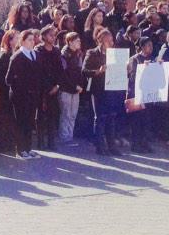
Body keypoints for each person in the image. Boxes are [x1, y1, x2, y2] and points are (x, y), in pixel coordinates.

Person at [82, 27, 122, 156]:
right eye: (108, 41)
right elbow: (84, 70)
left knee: (111, 117)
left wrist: (124, 67)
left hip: (112, 89)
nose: (111, 43)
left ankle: (112, 145)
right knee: (100, 117)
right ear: (101, 41)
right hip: (98, 89)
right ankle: (100, 146)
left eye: (111, 40)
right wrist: (98, 71)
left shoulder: (115, 53)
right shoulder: (92, 53)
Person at [6, 29, 41, 159]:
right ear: (22, 41)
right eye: (29, 40)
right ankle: (20, 150)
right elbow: (8, 79)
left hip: (33, 95)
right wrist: (21, 86)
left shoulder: (36, 54)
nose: (33, 42)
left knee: (30, 121)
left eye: (33, 39)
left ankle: (28, 148)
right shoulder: (17, 56)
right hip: (20, 96)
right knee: (21, 122)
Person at [35, 25, 64, 151]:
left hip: (54, 87)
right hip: (41, 87)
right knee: (41, 115)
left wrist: (57, 85)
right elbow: (38, 71)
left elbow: (60, 70)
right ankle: (40, 141)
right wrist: (46, 87)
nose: (53, 37)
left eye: (54, 35)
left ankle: (51, 141)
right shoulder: (38, 51)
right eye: (50, 35)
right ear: (44, 36)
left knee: (53, 114)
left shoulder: (57, 51)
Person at [124, 37, 155, 153]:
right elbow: (132, 77)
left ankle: (145, 143)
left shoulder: (152, 59)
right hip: (136, 94)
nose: (151, 48)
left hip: (148, 94)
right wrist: (144, 68)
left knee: (146, 120)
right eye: (148, 45)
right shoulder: (135, 59)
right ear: (142, 47)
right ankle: (135, 144)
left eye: (151, 45)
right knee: (137, 120)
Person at [0, 29, 21, 156]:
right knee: (2, 118)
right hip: (3, 92)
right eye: (16, 38)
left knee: (11, 118)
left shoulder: (17, 53)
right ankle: (0, 144)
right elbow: (2, 76)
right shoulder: (3, 55)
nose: (19, 40)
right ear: (9, 41)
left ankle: (10, 143)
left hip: (12, 92)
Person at [58, 31, 85, 145]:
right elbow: (63, 74)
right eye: (77, 40)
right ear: (70, 42)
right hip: (66, 89)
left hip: (76, 89)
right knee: (66, 114)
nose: (79, 42)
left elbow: (80, 72)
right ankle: (64, 138)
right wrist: (74, 85)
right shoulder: (64, 55)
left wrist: (80, 85)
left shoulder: (78, 54)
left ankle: (70, 136)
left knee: (73, 114)